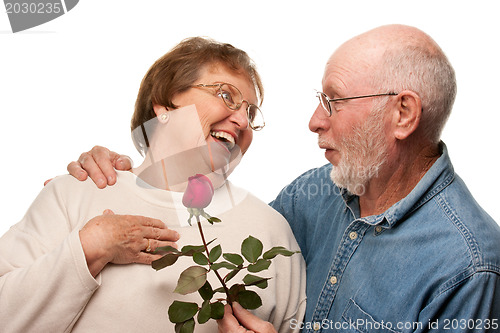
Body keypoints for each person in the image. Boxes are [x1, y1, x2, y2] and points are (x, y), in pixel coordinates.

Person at [72, 24, 500, 332]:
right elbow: (221, 236)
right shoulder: (311, 196)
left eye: (333, 101)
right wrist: (126, 170)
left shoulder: (471, 269)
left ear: (403, 114)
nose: (314, 121)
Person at [0, 37, 306, 332]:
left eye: (250, 113)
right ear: (164, 106)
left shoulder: (271, 232)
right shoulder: (76, 192)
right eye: (226, 96)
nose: (241, 120)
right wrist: (90, 247)